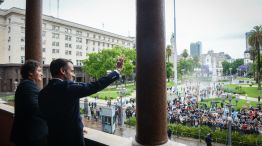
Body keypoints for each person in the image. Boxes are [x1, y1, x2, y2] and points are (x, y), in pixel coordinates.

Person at [38, 58, 123, 146]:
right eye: (71, 71)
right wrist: (117, 71)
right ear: (62, 71)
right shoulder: (67, 87)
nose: (74, 75)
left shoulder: (42, 93)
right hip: (72, 139)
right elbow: (95, 86)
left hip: (53, 139)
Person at [10, 60, 48, 146]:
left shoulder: (26, 85)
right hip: (31, 135)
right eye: (39, 70)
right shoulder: (28, 86)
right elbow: (35, 108)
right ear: (30, 73)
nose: (42, 74)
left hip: (27, 134)